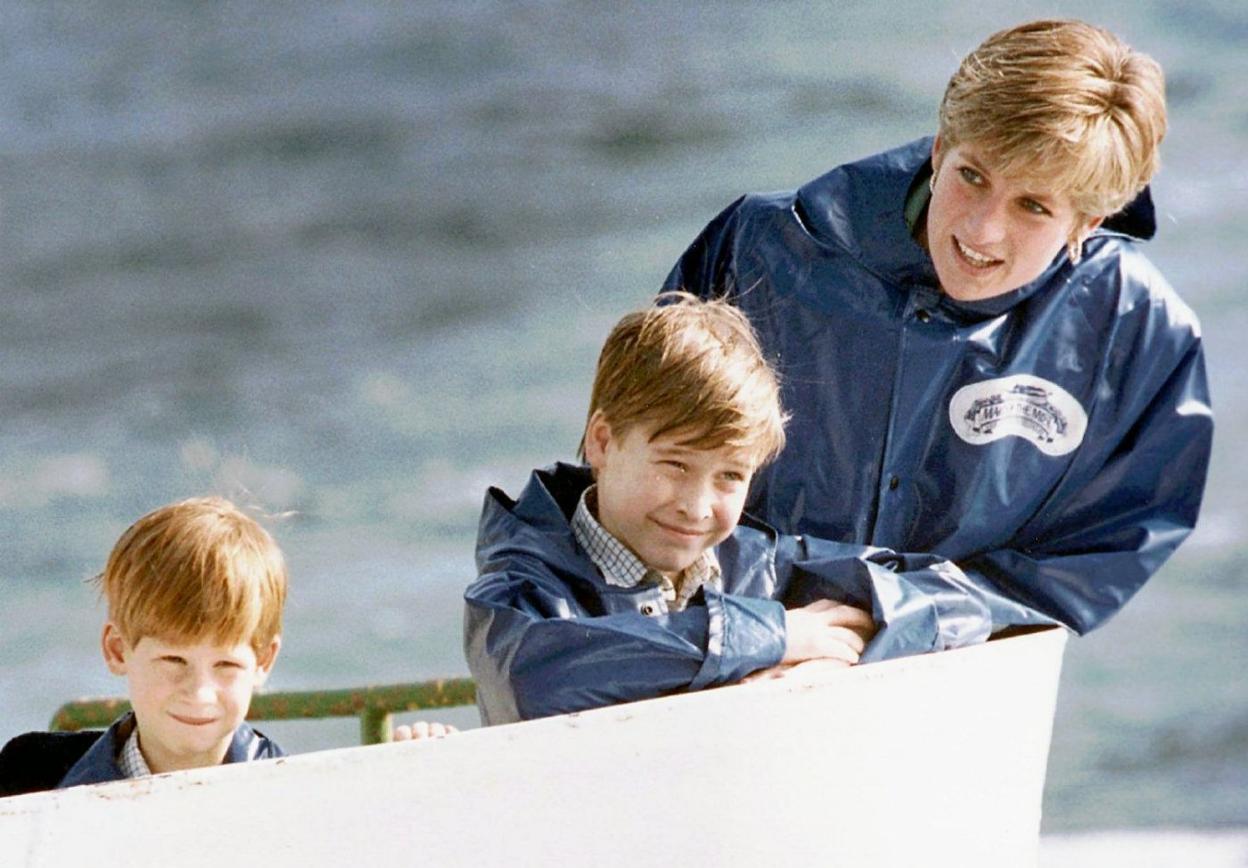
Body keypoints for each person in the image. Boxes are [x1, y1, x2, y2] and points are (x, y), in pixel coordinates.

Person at [662, 19, 1212, 641]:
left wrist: (910, 613)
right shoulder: (760, 246)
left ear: (1087, 221)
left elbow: (1102, 550)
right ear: (940, 148)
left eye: (1033, 206)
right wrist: (767, 627)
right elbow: (645, 459)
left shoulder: (1138, 329)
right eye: (972, 176)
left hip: (958, 663)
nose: (981, 230)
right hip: (732, 636)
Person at [464, 294, 990, 725]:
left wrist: (833, 657)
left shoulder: (760, 568)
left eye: (730, 477)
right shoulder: (520, 587)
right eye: (675, 465)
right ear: (602, 442)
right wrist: (770, 637)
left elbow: (960, 602)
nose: (696, 507)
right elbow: (534, 678)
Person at [0, 497, 287, 796]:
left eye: (226, 664)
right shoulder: (25, 781)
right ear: (117, 649)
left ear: (264, 661)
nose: (199, 693)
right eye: (174, 660)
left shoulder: (295, 797)